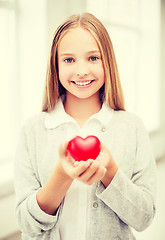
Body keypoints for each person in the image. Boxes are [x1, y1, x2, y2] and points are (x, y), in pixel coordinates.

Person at [14, 13, 157, 240]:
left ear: (107, 60)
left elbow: (144, 217)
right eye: (69, 60)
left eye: (93, 58)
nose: (81, 70)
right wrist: (61, 175)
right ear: (56, 65)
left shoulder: (133, 128)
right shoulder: (32, 131)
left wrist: (110, 171)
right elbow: (26, 224)